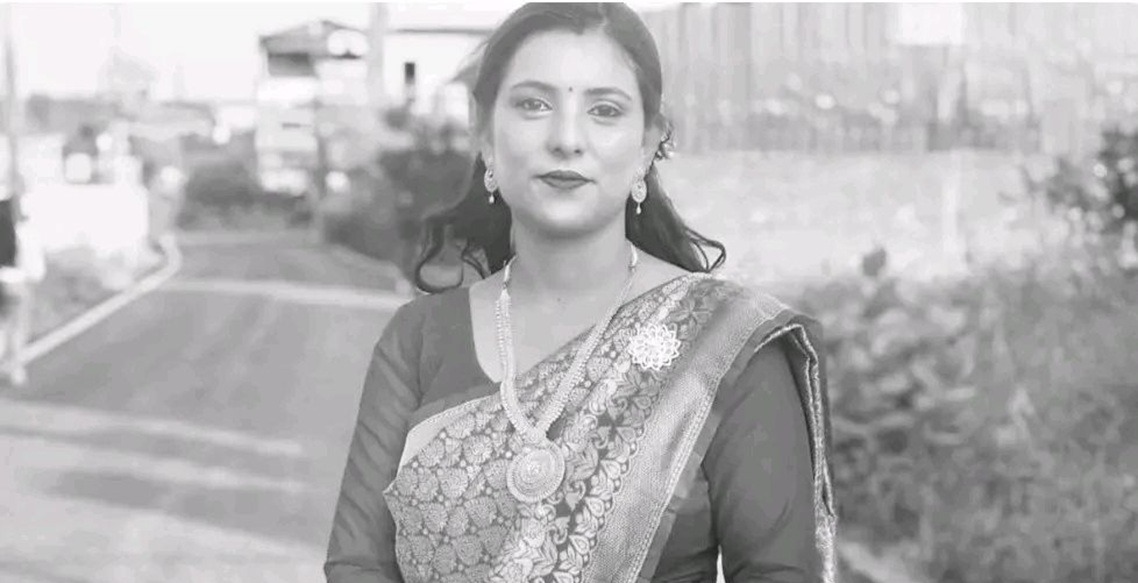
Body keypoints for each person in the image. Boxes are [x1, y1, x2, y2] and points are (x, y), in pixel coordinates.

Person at [326, 4, 837, 582]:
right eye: (533, 105)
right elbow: (358, 565)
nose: (567, 139)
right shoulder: (419, 340)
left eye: (604, 110)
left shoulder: (721, 345)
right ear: (485, 135)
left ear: (647, 144)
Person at [0, 192, 45, 387]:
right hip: (17, 282)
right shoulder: (24, 232)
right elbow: (34, 267)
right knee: (17, 328)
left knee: (2, 326)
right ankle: (15, 369)